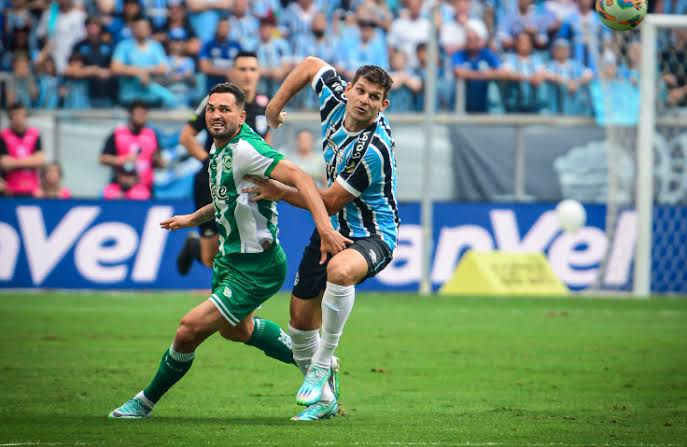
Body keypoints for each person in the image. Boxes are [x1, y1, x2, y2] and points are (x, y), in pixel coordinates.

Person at [108, 82, 351, 419]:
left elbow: (302, 179)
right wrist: (194, 218)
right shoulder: (220, 149)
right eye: (211, 108)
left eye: (225, 109)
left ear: (240, 115)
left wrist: (324, 227)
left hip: (256, 266)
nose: (216, 115)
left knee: (188, 329)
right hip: (229, 260)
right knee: (236, 330)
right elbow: (229, 198)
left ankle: (144, 402)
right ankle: (320, 365)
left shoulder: (246, 149)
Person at [250, 56, 399, 420]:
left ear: (384, 104)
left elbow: (330, 200)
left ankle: (322, 362)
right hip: (329, 227)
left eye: (374, 96)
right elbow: (311, 64)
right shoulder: (336, 100)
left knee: (340, 272)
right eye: (360, 90)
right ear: (348, 90)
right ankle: (326, 399)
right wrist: (274, 107)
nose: (364, 99)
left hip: (372, 234)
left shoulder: (373, 148)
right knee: (300, 323)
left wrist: (281, 191)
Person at [176, 51, 271, 274]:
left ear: (259, 73)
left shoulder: (265, 104)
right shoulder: (216, 101)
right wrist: (210, 163)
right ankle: (194, 246)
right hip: (211, 184)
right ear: (232, 72)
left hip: (247, 186)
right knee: (211, 258)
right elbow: (186, 137)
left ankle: (233, 306)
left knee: (244, 249)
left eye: (252, 69)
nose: (248, 75)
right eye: (242, 69)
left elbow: (266, 143)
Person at [98, 100, 164, 197]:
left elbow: (159, 162)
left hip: (146, 191)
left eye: (144, 114)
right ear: (130, 114)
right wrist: (121, 160)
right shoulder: (117, 134)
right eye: (139, 113)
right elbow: (102, 159)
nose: (142, 117)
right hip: (120, 190)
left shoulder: (151, 135)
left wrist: (158, 161)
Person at [0, 102, 45, 197]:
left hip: (32, 189)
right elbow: (4, 163)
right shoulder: (3, 136)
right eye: (15, 114)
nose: (18, 117)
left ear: (25, 116)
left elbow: (40, 160)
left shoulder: (35, 134)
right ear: (10, 117)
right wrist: (31, 160)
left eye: (21, 114)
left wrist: (13, 162)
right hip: (10, 189)